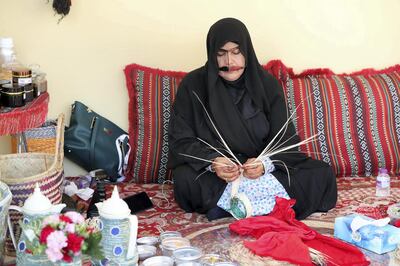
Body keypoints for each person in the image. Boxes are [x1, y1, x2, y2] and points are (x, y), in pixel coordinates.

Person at [168, 18, 337, 221]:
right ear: (211, 54)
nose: (229, 62)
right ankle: (262, 206)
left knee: (322, 173)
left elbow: (286, 140)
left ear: (247, 51)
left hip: (259, 171)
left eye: (236, 52)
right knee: (185, 179)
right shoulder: (193, 85)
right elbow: (180, 140)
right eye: (221, 54)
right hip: (218, 176)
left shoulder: (267, 84)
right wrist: (213, 162)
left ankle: (232, 206)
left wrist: (265, 164)